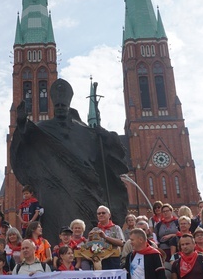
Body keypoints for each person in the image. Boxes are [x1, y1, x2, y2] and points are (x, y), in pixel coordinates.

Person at [10, 79, 130, 244]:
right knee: (54, 226)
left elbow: (108, 151)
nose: (60, 108)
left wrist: (106, 137)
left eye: (63, 106)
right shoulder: (43, 127)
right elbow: (26, 138)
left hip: (84, 189)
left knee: (87, 224)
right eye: (57, 106)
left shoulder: (82, 129)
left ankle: (92, 251)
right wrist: (22, 122)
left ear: (69, 107)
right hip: (54, 189)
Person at [95, 206, 125, 270]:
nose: (101, 215)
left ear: (109, 215)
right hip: (98, 260)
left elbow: (121, 243)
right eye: (99, 213)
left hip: (112, 259)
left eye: (103, 213)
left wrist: (105, 237)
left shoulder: (116, 228)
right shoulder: (95, 229)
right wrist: (89, 239)